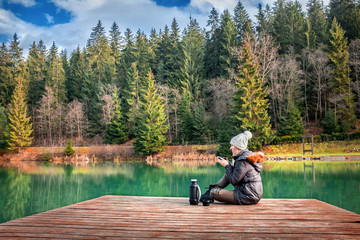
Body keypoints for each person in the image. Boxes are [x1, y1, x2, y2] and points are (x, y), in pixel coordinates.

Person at [200, 131, 264, 205]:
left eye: (232, 146)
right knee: (229, 172)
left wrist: (227, 166)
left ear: (238, 147)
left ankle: (211, 192)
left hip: (248, 196)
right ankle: (211, 190)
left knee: (213, 193)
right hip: (250, 193)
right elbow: (234, 175)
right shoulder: (244, 157)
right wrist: (229, 165)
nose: (230, 148)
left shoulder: (242, 161)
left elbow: (234, 180)